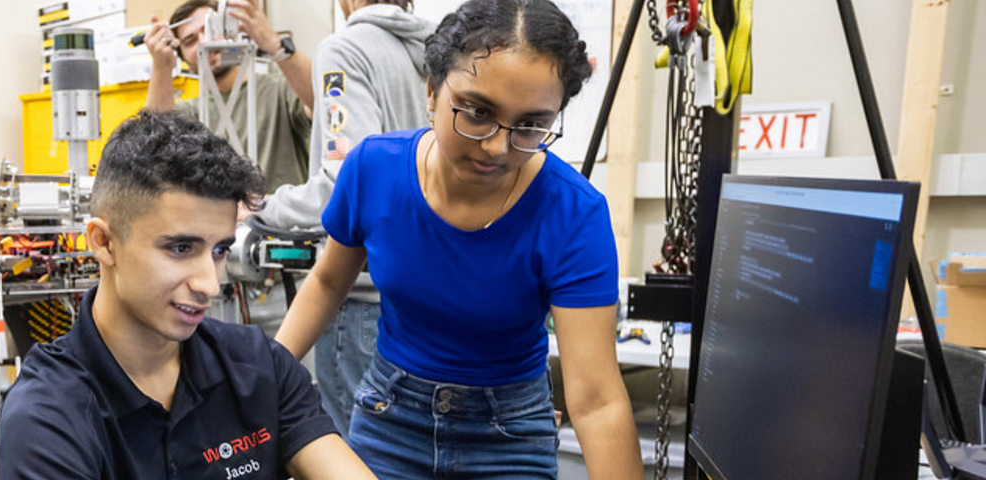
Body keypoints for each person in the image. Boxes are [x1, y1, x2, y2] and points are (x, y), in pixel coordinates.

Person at [274, 0, 643, 478]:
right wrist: (272, 375)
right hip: (390, 418)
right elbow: (326, 283)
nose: (496, 146)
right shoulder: (373, 169)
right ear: (431, 90)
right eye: (476, 111)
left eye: (530, 125)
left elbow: (595, 400)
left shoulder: (573, 213)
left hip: (509, 432)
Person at [0, 111, 376, 480]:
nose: (209, 285)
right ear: (104, 242)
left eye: (219, 251)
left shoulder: (260, 368)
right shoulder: (47, 416)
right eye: (181, 249)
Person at [253, 0, 434, 436]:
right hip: (423, 302)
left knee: (354, 457)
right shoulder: (437, 50)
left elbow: (344, 183)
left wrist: (260, 207)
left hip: (360, 303)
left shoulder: (344, 51)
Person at [141, 0, 313, 191]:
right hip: (219, 221)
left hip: (282, 219)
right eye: (191, 41)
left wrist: (273, 43)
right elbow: (151, 146)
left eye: (210, 29)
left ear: (232, 31)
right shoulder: (190, 113)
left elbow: (324, 101)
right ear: (183, 57)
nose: (205, 42)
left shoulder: (280, 90)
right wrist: (162, 65)